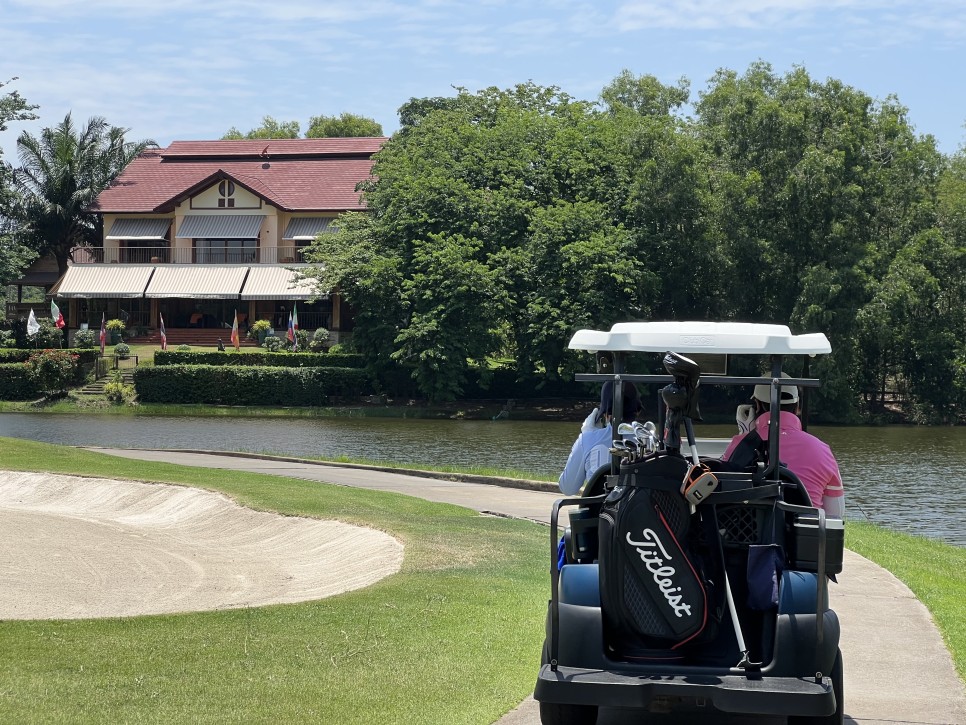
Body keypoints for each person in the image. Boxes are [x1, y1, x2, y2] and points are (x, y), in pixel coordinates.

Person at [721, 373, 845, 518]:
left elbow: (725, 494)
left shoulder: (740, 446)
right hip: (804, 538)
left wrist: (746, 435)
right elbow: (836, 514)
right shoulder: (822, 450)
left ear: (757, 405)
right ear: (798, 406)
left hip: (748, 537)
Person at [559, 381, 643, 495]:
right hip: (640, 510)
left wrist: (586, 434)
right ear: (637, 411)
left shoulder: (587, 438)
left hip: (598, 511)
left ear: (605, 413)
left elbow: (567, 488)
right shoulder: (650, 440)